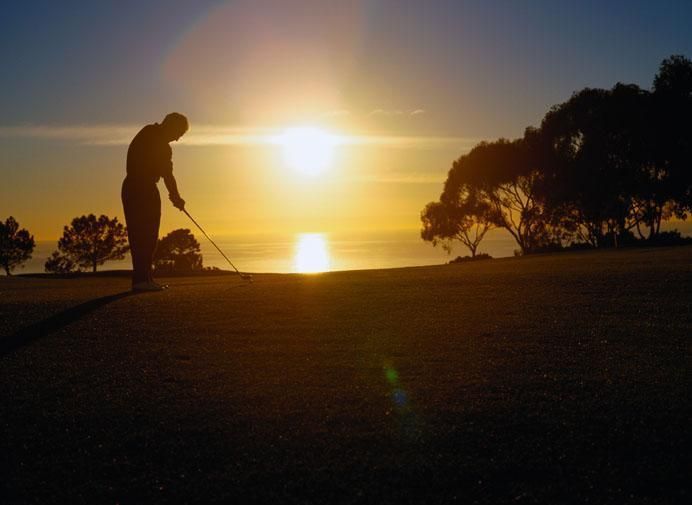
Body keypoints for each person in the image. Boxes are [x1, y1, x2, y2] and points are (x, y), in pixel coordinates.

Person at [121, 112, 188, 291]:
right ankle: (143, 281)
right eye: (179, 133)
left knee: (140, 234)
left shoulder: (148, 131)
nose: (177, 138)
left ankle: (143, 280)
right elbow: (167, 175)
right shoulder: (159, 142)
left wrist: (175, 197)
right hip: (143, 188)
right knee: (146, 235)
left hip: (131, 187)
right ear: (172, 127)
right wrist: (176, 197)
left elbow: (165, 172)